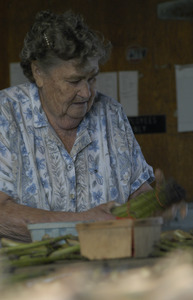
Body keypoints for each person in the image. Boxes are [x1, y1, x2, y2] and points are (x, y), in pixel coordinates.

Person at [0, 10, 155, 242]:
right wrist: (83, 223)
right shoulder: (6, 114)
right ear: (38, 72)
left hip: (110, 263)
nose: (86, 92)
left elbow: (139, 192)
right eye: (74, 81)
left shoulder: (111, 113)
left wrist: (157, 202)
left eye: (92, 78)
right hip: (27, 271)